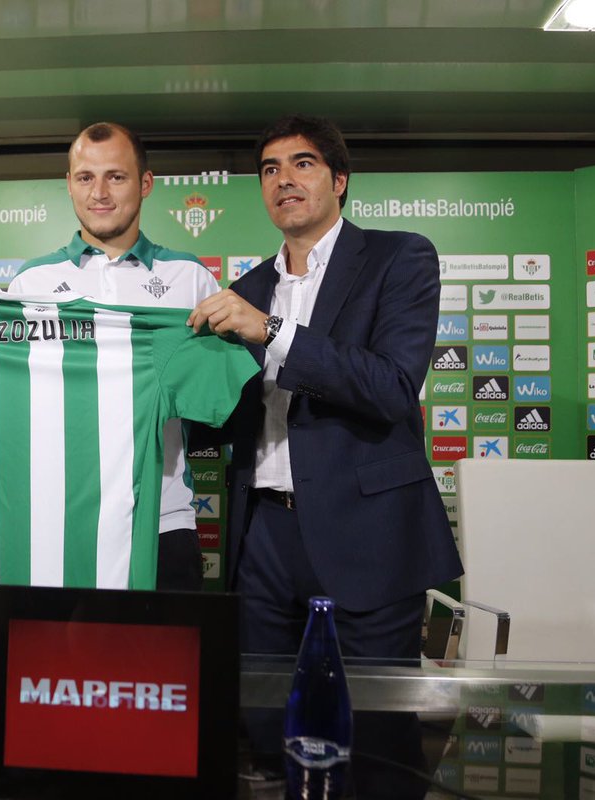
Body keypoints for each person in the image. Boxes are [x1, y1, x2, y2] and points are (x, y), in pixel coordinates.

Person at [188, 114, 463, 794]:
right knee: (266, 726)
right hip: (263, 536)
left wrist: (273, 332)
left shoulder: (400, 257)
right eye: (270, 169)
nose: (284, 179)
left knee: (377, 737)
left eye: (302, 163)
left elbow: (392, 386)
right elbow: (225, 415)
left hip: (369, 533)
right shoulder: (246, 288)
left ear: (339, 180)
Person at [9, 122, 220, 591]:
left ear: (145, 183)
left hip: (163, 520)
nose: (99, 193)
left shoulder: (190, 278)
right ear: (69, 184)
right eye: (86, 177)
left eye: (116, 177)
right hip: (60, 523)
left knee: (168, 644)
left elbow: (220, 402)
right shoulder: (30, 283)